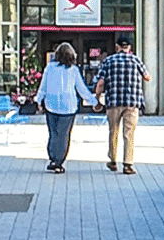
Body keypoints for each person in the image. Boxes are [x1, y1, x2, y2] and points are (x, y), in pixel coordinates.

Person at [35, 42, 98, 174]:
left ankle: (53, 158)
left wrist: (39, 99)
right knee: (63, 135)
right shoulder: (74, 70)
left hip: (51, 105)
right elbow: (81, 89)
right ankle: (58, 161)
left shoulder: (49, 68)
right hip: (68, 107)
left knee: (53, 133)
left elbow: (43, 86)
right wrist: (93, 101)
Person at [93, 36, 151, 175]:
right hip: (132, 102)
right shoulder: (136, 60)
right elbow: (147, 77)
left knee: (114, 131)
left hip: (113, 102)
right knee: (129, 133)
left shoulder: (109, 60)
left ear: (117, 47)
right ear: (129, 48)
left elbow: (100, 83)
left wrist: (97, 98)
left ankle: (113, 160)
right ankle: (128, 164)